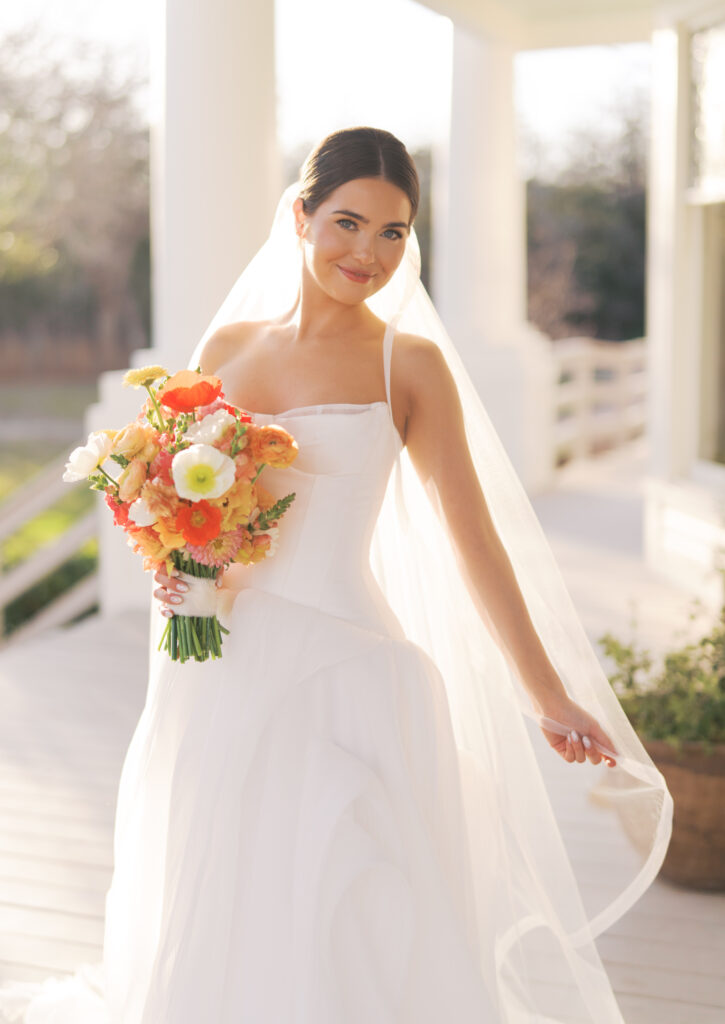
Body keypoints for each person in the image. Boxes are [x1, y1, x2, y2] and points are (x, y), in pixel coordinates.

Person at [0, 127, 672, 1023]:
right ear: (300, 216)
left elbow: (474, 540)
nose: (367, 252)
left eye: (392, 233)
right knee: (222, 871)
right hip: (216, 663)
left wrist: (547, 693)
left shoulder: (411, 364)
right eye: (347, 223)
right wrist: (177, 570)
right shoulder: (227, 344)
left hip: (347, 666)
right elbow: (177, 494)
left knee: (351, 888)